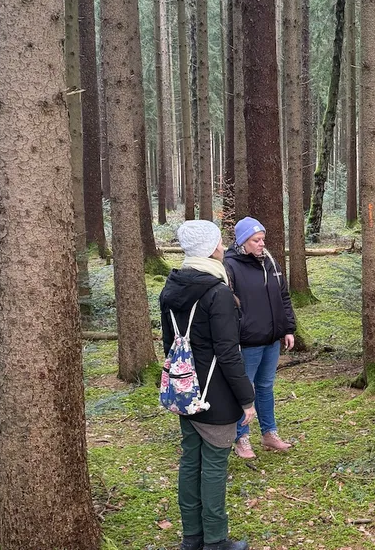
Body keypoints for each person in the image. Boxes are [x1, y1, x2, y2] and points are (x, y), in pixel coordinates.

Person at [160, 220, 256, 550]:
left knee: (190, 461)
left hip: (184, 391)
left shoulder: (170, 288)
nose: (223, 247)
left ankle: (192, 538)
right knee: (214, 465)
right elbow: (228, 353)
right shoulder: (218, 293)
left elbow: (168, 344)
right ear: (211, 248)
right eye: (219, 242)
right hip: (215, 394)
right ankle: (215, 541)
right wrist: (247, 398)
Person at [224, 217, 297, 459]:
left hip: (272, 339)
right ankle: (241, 437)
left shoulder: (271, 263)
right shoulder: (231, 265)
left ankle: (269, 433)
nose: (261, 244)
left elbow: (283, 297)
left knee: (266, 387)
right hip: (247, 342)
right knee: (245, 390)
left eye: (263, 239)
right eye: (256, 240)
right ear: (243, 241)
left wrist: (288, 328)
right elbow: (227, 306)